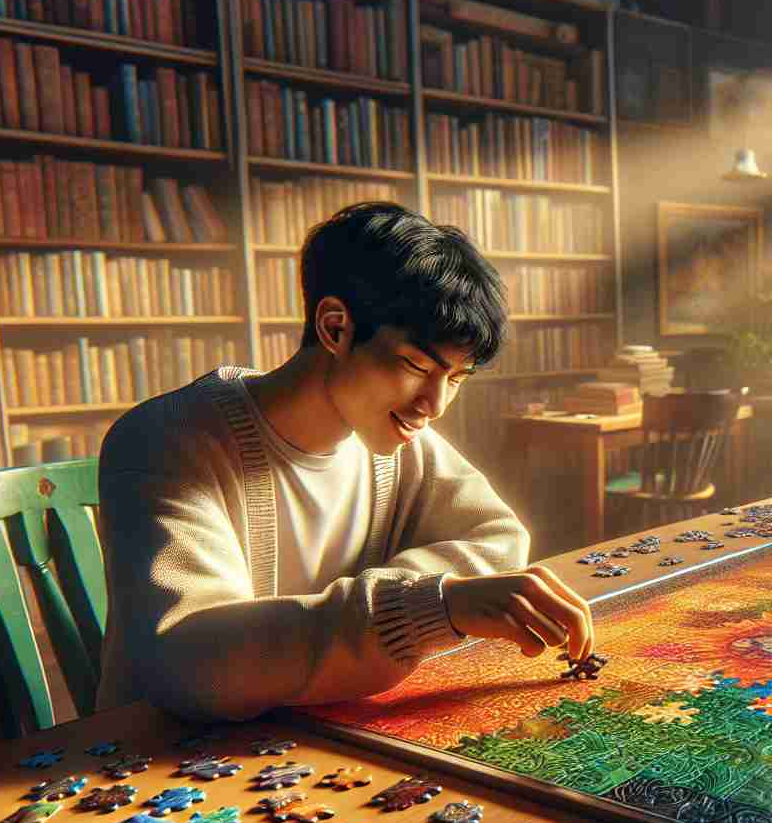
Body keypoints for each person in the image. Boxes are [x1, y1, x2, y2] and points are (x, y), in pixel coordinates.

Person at [97, 201, 594, 722]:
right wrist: (427, 609)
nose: (435, 404)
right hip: (162, 756)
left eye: (456, 378)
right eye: (415, 366)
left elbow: (498, 539)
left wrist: (416, 604)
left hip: (318, 735)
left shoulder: (396, 438)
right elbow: (191, 663)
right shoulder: (164, 440)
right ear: (335, 328)